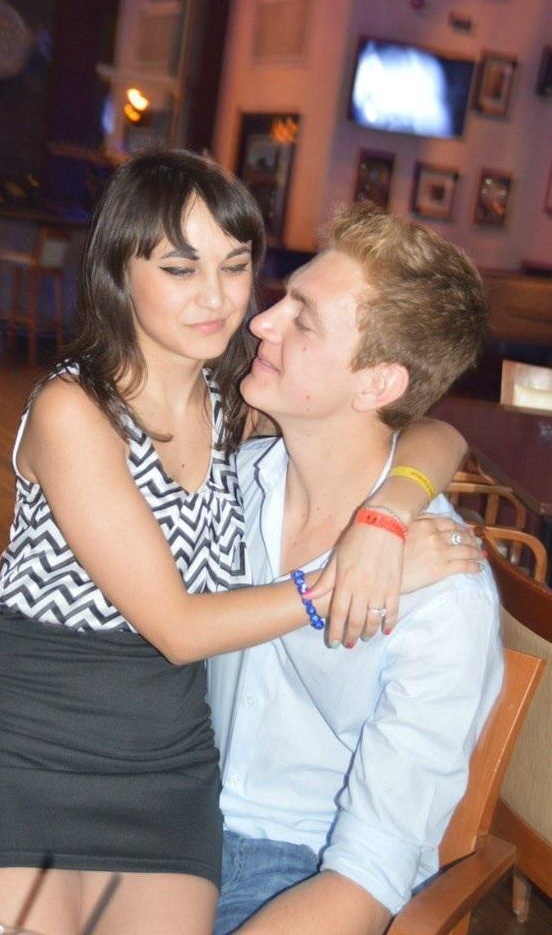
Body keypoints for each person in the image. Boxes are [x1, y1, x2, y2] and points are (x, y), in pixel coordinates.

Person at [0, 156, 473, 935]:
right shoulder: (74, 410)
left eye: (235, 265)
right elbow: (178, 628)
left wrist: (387, 515)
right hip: (28, 757)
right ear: (118, 272)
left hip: (169, 783)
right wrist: (337, 579)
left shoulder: (234, 409)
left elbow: (430, 428)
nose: (220, 299)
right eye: (178, 267)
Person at [207, 203, 503, 934]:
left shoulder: (442, 593)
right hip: (169, 818)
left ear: (376, 385)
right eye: (282, 300)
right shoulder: (234, 483)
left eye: (301, 319)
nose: (261, 323)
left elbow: (369, 872)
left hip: (305, 869)